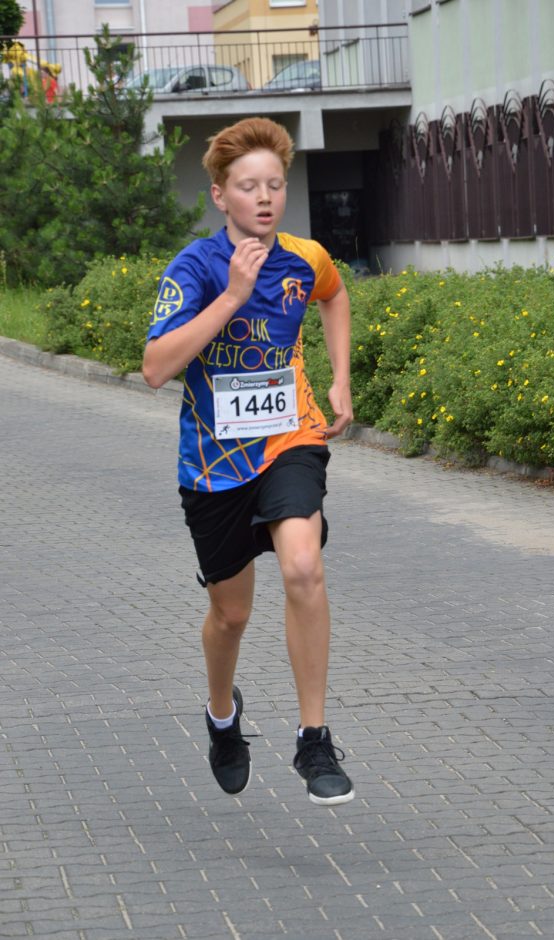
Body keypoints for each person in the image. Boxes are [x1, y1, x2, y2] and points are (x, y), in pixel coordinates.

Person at [142, 116, 355, 806]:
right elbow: (155, 368)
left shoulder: (305, 258)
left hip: (290, 438)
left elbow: (335, 295)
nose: (264, 197)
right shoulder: (194, 268)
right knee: (231, 615)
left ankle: (313, 738)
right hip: (213, 464)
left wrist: (340, 378)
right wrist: (232, 296)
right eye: (247, 186)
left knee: (303, 566)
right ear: (219, 196)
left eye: (275, 184)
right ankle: (221, 715)